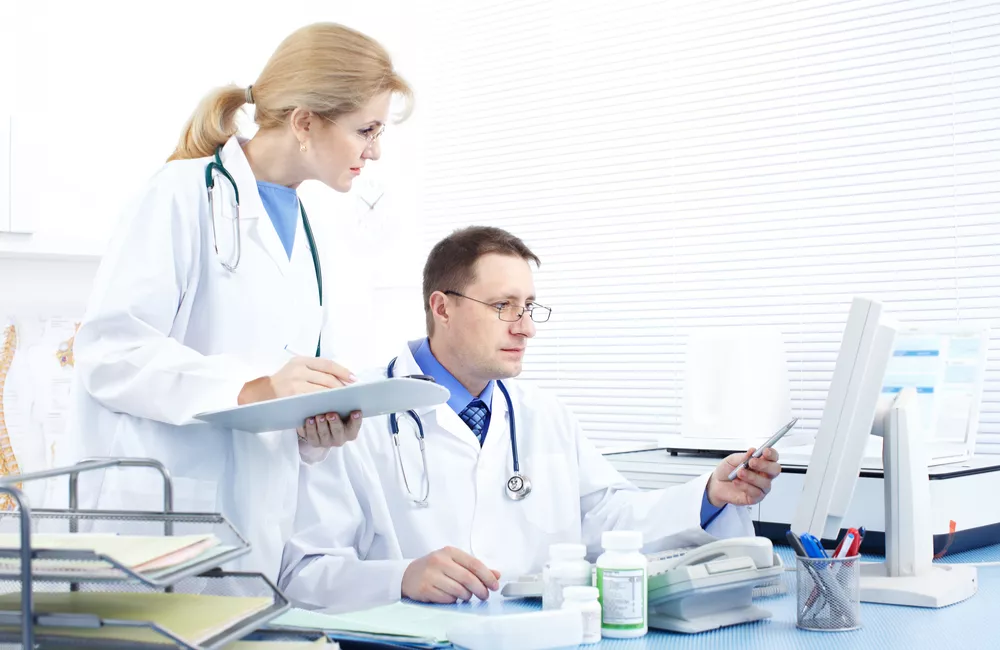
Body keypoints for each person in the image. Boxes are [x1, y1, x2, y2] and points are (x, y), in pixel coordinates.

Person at [277, 226, 782, 612]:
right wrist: (401, 577)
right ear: (442, 307)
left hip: (531, 632)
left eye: (529, 307)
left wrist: (710, 495)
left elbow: (606, 520)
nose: (525, 328)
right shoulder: (349, 412)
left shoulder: (544, 414)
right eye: (503, 306)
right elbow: (305, 571)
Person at [65, 22, 412, 582]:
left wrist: (310, 432)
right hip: (157, 521)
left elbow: (274, 386)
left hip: (254, 531)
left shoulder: (310, 231)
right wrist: (253, 390)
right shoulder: (180, 193)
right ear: (304, 122)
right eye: (366, 130)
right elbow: (110, 352)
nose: (374, 151)